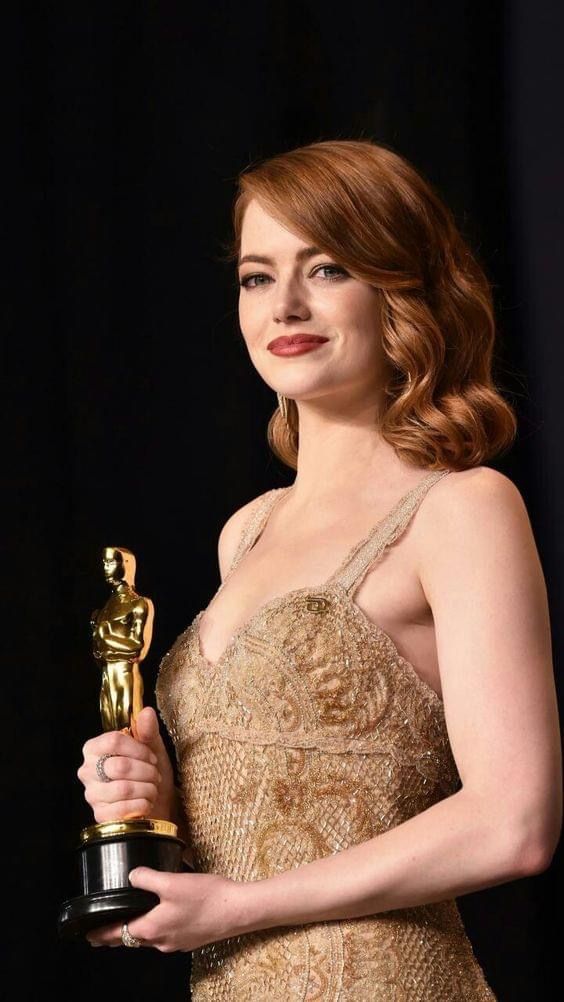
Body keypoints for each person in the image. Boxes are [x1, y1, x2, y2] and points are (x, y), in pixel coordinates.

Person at [77, 139, 562, 999]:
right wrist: (151, 807)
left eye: (328, 268)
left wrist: (238, 908)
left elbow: (513, 824)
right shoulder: (248, 530)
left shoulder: (463, 507)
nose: (286, 305)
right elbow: (274, 822)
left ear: (402, 290)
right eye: (257, 277)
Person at [90, 546, 153, 735]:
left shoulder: (138, 603)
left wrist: (104, 634)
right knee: (110, 732)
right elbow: (97, 651)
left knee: (127, 729)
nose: (106, 568)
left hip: (125, 673)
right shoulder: (107, 606)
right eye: (104, 563)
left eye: (110, 562)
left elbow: (137, 647)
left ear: (126, 564)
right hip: (108, 673)